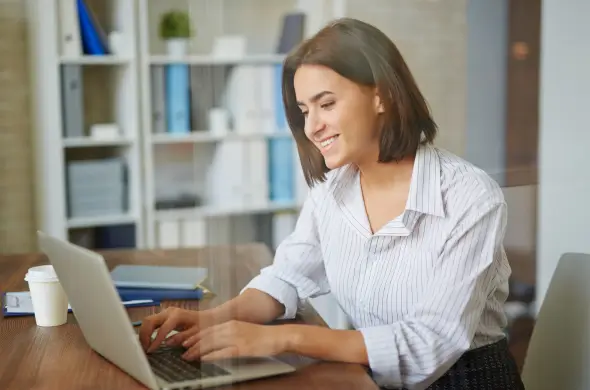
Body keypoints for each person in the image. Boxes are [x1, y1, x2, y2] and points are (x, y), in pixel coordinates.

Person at [139, 17, 525, 390]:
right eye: (305, 111)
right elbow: (287, 277)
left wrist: (281, 339)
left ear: (382, 96)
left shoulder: (470, 197)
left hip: (464, 381)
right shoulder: (333, 190)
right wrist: (211, 320)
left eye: (326, 104)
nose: (311, 127)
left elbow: (427, 346)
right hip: (367, 375)